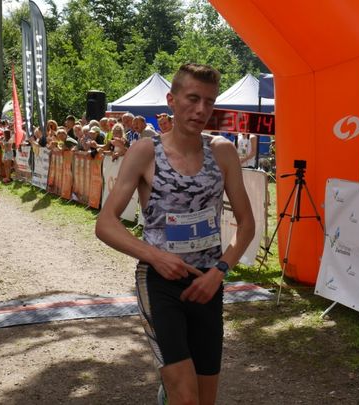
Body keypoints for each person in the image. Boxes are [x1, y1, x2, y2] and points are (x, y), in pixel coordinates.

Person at [95, 63, 255, 405]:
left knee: (205, 399)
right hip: (159, 282)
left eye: (209, 102)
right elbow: (105, 223)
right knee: (185, 396)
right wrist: (156, 257)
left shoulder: (222, 152)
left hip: (206, 283)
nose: (201, 110)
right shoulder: (146, 151)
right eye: (192, 99)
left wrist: (220, 271)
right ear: (171, 100)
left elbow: (246, 225)